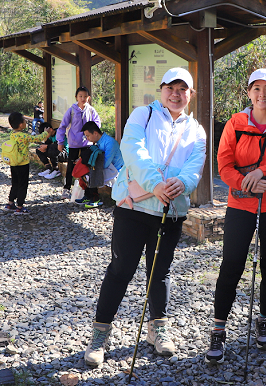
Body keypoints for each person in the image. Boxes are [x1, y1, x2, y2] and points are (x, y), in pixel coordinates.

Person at [83, 67, 206, 368]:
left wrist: (184, 184)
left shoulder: (197, 130)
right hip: (134, 208)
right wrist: (157, 183)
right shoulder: (143, 115)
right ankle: (100, 334)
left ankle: (157, 329)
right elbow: (133, 150)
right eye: (171, 88)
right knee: (121, 269)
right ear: (161, 90)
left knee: (159, 272)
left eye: (183, 89)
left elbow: (195, 166)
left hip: (171, 212)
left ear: (191, 95)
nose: (176, 94)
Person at [205, 68, 266, 365]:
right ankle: (218, 330)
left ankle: (263, 320)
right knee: (232, 263)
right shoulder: (235, 123)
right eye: (256, 88)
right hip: (241, 205)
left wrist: (264, 172)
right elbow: (224, 165)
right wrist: (245, 182)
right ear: (248, 92)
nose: (262, 94)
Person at [5, 112, 54, 214]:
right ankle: (20, 206)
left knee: (15, 183)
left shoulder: (12, 135)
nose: (25, 123)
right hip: (22, 164)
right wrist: (46, 132)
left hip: (14, 163)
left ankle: (10, 203)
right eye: (24, 121)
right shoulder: (24, 136)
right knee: (23, 184)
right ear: (20, 124)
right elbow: (38, 138)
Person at [57, 86, 101, 200]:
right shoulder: (71, 110)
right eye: (80, 96)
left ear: (89, 98)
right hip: (74, 144)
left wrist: (93, 136)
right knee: (71, 166)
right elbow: (62, 126)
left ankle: (87, 191)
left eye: (85, 96)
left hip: (88, 144)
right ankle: (66, 189)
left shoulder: (91, 110)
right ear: (76, 97)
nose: (83, 98)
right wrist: (60, 141)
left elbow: (97, 123)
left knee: (86, 167)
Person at [79, 121, 124, 208]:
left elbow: (105, 164)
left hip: (116, 170)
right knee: (84, 170)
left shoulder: (110, 143)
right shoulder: (99, 141)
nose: (87, 138)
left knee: (90, 173)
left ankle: (95, 198)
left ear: (95, 133)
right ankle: (88, 196)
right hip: (107, 168)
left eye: (88, 136)